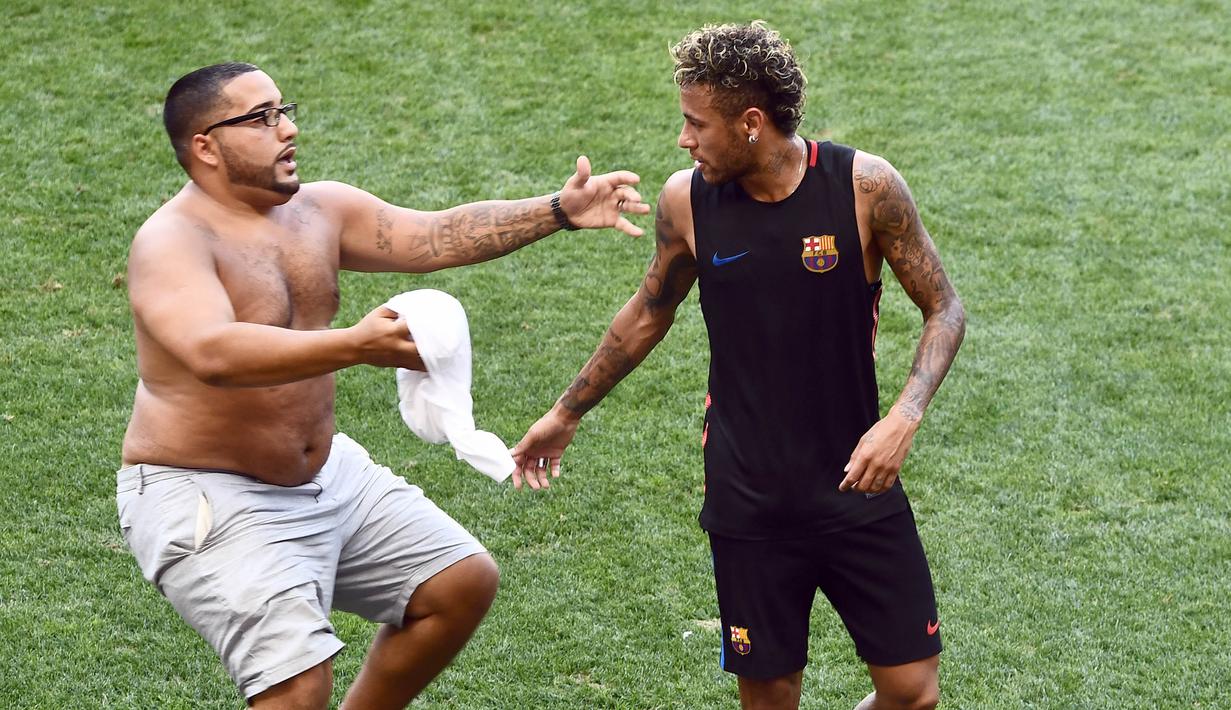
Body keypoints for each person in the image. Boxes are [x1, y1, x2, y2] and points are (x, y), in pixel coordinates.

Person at [116, 61, 649, 709]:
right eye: (261, 119)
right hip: (208, 491)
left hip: (323, 474)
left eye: (284, 109)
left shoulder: (318, 210)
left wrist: (558, 210)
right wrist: (357, 346)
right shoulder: (172, 242)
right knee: (295, 687)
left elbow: (432, 237)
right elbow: (213, 353)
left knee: (457, 585)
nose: (288, 130)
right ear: (205, 145)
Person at [512, 22, 965, 710]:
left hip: (856, 485)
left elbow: (945, 308)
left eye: (696, 123)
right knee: (771, 695)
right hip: (748, 497)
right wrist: (564, 413)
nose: (684, 139)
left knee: (911, 692)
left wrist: (904, 415)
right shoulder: (684, 200)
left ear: (751, 123)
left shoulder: (862, 187)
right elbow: (647, 314)